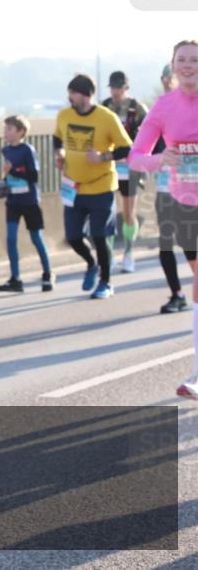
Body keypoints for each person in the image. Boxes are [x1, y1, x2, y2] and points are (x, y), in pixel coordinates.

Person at [128, 40, 198, 399]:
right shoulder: (164, 106)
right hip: (185, 204)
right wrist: (161, 160)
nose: (188, 65)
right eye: (182, 60)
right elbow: (135, 156)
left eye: (194, 60)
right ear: (173, 66)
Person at [53, 73, 132, 300]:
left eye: (73, 94)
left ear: (86, 95)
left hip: (101, 186)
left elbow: (127, 148)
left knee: (99, 236)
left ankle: (106, 283)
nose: (70, 98)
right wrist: (59, 153)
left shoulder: (106, 117)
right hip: (73, 187)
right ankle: (91, 263)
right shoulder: (64, 115)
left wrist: (104, 156)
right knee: (73, 236)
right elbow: (57, 138)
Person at [0, 115, 53, 292]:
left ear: (21, 132)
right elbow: (7, 174)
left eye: (9, 129)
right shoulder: (5, 151)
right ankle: (15, 279)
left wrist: (12, 170)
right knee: (11, 239)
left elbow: (33, 176)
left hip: (29, 201)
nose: (5, 132)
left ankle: (47, 274)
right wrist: (3, 180)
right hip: (13, 201)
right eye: (5, 129)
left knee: (36, 238)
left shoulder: (28, 150)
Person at [101, 71, 149, 272]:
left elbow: (149, 134)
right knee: (107, 212)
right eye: (112, 87)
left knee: (129, 212)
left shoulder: (137, 108)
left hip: (130, 165)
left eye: (119, 87)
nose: (115, 91)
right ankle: (109, 253)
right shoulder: (104, 107)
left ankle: (129, 253)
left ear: (126, 88)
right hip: (109, 165)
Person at [153, 64, 188, 314]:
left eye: (171, 77)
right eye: (164, 77)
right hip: (165, 190)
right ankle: (177, 294)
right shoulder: (159, 110)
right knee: (165, 245)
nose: (167, 81)